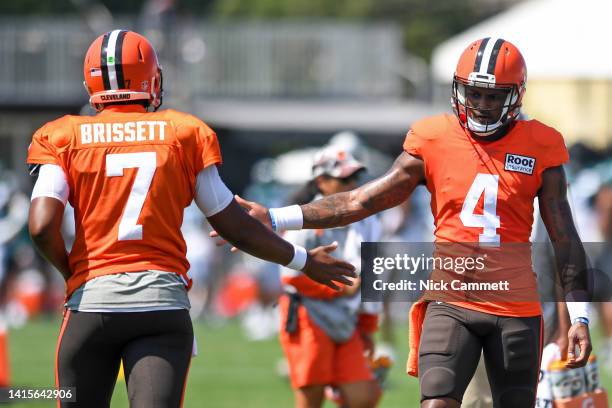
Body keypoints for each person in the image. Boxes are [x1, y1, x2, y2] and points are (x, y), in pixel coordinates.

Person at [215, 38, 593, 407]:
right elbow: (362, 200)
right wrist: (276, 217)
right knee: (436, 401)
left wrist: (580, 317)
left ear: (516, 95)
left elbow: (565, 239)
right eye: (474, 93)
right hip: (451, 300)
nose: (481, 104)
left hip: (514, 305)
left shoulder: (541, 143)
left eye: (493, 96)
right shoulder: (434, 137)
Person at [26, 29, 354, 408]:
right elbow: (233, 224)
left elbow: (40, 226)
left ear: (91, 83)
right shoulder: (183, 133)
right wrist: (304, 260)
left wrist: (73, 274)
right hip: (161, 304)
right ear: (151, 77)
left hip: (91, 304)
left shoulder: (62, 136)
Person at [279, 145, 381, 408]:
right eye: (344, 179)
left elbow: (373, 275)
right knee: (310, 397)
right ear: (322, 182)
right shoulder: (303, 218)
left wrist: (368, 326)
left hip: (347, 319)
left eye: (355, 178)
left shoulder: (368, 219)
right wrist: (338, 288)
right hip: (308, 316)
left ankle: (335, 385)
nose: (353, 184)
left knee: (364, 397)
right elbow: (289, 277)